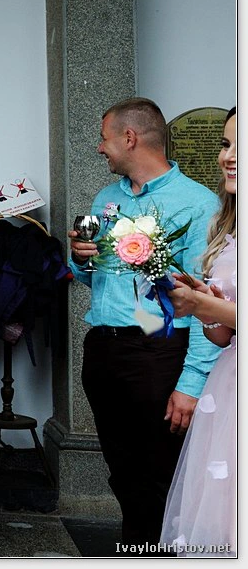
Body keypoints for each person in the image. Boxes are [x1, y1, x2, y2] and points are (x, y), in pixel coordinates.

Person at [67, 97, 220, 550]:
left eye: (104, 138)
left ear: (129, 138)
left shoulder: (198, 204)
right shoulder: (106, 199)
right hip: (104, 349)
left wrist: (190, 383)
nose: (100, 148)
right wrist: (80, 258)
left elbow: (209, 301)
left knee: (159, 473)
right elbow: (91, 277)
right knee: (123, 472)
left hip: (159, 353)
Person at [160, 107, 236, 556]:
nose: (229, 156)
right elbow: (222, 336)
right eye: (226, 144)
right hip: (229, 385)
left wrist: (204, 305)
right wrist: (207, 305)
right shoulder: (228, 227)